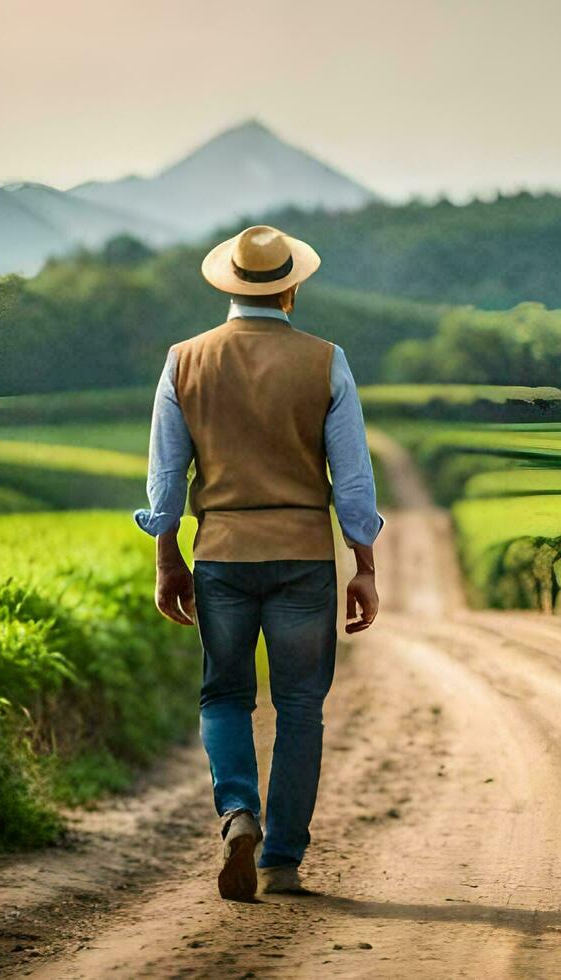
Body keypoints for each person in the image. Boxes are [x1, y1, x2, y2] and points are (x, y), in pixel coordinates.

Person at [133, 224, 383, 901]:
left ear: (230, 286)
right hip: (303, 555)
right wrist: (363, 564)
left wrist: (167, 558)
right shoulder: (326, 361)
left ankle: (239, 813)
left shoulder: (183, 361)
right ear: (291, 288)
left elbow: (166, 479)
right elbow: (353, 482)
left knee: (224, 695)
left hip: (221, 555)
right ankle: (281, 862)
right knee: (301, 707)